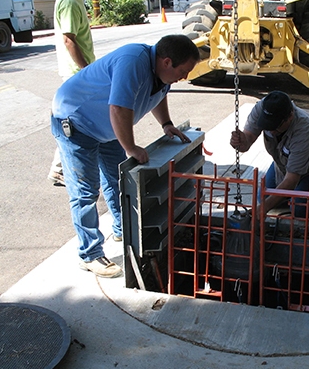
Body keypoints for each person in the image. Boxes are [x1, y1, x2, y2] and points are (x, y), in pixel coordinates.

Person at [51, 34, 200, 278]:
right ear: (167, 61)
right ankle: (89, 254)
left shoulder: (162, 72)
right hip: (75, 121)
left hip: (106, 128)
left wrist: (167, 124)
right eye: (183, 71)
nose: (184, 77)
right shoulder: (133, 61)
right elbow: (118, 108)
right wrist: (131, 148)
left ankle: (123, 229)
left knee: (117, 181)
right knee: (85, 192)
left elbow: (160, 94)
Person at [229, 91, 309, 218]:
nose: (270, 130)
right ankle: (295, 194)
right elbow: (247, 140)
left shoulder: (305, 130)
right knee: (264, 197)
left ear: (290, 116)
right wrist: (241, 142)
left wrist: (263, 209)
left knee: (300, 210)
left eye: (275, 126)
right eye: (267, 125)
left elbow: (291, 179)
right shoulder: (264, 107)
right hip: (284, 160)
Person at [48, 0, 98, 186]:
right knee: (75, 124)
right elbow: (69, 40)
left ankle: (59, 168)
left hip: (78, 73)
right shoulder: (69, 1)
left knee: (76, 123)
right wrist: (86, 71)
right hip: (76, 74)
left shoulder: (75, 0)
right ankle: (60, 169)